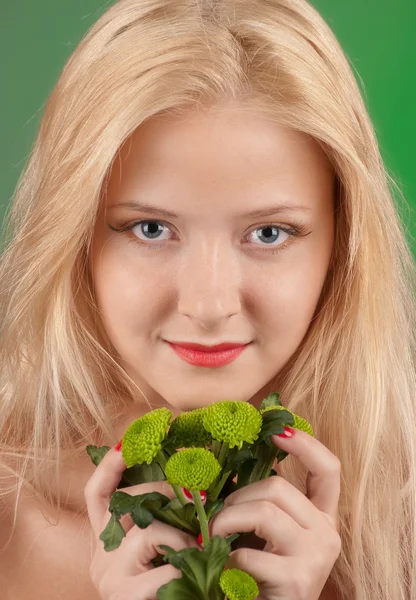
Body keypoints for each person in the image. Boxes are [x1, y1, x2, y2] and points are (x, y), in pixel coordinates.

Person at [0, 0, 415, 598]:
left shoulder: (400, 520)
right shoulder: (10, 518)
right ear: (75, 239)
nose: (209, 304)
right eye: (149, 229)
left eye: (269, 234)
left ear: (342, 245)